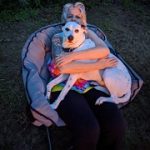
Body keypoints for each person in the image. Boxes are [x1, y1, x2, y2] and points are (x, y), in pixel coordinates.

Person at [49, 2, 126, 150]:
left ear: (83, 20)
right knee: (89, 130)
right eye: (70, 16)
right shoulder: (58, 37)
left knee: (116, 126)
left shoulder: (88, 32)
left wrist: (73, 56)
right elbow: (64, 67)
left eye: (78, 16)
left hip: (91, 84)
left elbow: (104, 51)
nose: (74, 18)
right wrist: (99, 65)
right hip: (66, 85)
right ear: (64, 19)